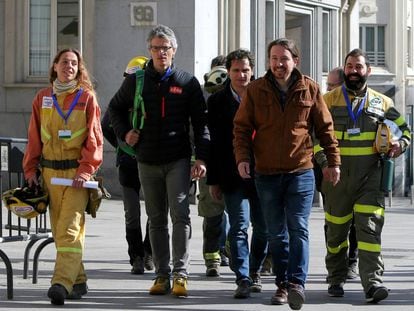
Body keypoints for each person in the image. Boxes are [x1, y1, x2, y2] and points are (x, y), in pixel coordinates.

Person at [233, 38, 341, 310]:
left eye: (284, 58)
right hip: (266, 173)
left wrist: (333, 162)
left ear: (295, 60)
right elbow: (242, 129)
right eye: (274, 58)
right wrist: (243, 158)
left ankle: (296, 284)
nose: (279, 64)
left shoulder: (310, 89)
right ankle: (282, 284)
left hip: (300, 171)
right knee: (276, 234)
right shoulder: (256, 90)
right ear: (269, 61)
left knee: (299, 228)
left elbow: (326, 130)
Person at [108, 24, 209, 297]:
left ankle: (181, 274)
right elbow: (114, 109)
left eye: (166, 48)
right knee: (155, 219)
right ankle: (162, 274)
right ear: (149, 51)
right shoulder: (136, 80)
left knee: (180, 216)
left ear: (174, 51)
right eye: (156, 48)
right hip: (146, 160)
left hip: (177, 159)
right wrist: (124, 133)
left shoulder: (188, 82)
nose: (161, 52)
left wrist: (200, 158)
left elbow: (201, 124)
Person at [316, 48, 410, 303]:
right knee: (336, 234)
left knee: (369, 232)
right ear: (344, 70)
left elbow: (405, 131)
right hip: (336, 179)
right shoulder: (328, 100)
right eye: (349, 66)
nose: (353, 71)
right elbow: (314, 137)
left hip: (370, 178)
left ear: (368, 70)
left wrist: (399, 145)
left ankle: (372, 283)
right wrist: (325, 163)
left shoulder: (383, 102)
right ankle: (336, 277)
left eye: (358, 66)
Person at [22, 48, 103, 305]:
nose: (70, 66)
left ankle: (61, 284)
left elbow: (94, 138)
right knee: (59, 233)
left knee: (68, 230)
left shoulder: (86, 98)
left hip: (76, 176)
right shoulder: (43, 97)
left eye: (74, 63)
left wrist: (86, 170)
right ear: (55, 66)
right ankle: (78, 280)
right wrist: (30, 170)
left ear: (79, 69)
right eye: (65, 62)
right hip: (49, 174)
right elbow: (34, 138)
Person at [208, 49, 268, 298]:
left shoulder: (265, 97)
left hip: (264, 174)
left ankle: (255, 270)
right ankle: (242, 276)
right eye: (236, 70)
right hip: (231, 175)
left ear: (252, 71)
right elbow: (212, 143)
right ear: (228, 72)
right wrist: (213, 180)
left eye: (245, 70)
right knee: (239, 226)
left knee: (263, 227)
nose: (241, 75)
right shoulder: (216, 102)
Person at [101, 56, 153, 275]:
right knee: (134, 212)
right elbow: (106, 125)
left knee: (154, 211)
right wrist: (123, 142)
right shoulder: (121, 99)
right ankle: (137, 256)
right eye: (129, 78)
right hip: (128, 161)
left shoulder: (152, 95)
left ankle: (148, 253)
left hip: (150, 161)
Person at [320, 67, 359, 280]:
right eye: (327, 85)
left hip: (357, 175)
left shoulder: (357, 105)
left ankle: (351, 262)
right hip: (331, 175)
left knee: (355, 222)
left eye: (332, 85)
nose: (328, 89)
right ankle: (335, 265)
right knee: (332, 222)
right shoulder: (325, 103)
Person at [198, 55, 229, 277]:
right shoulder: (203, 95)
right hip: (209, 163)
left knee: (235, 214)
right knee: (213, 213)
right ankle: (212, 257)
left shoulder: (240, 95)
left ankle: (225, 252)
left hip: (232, 163)